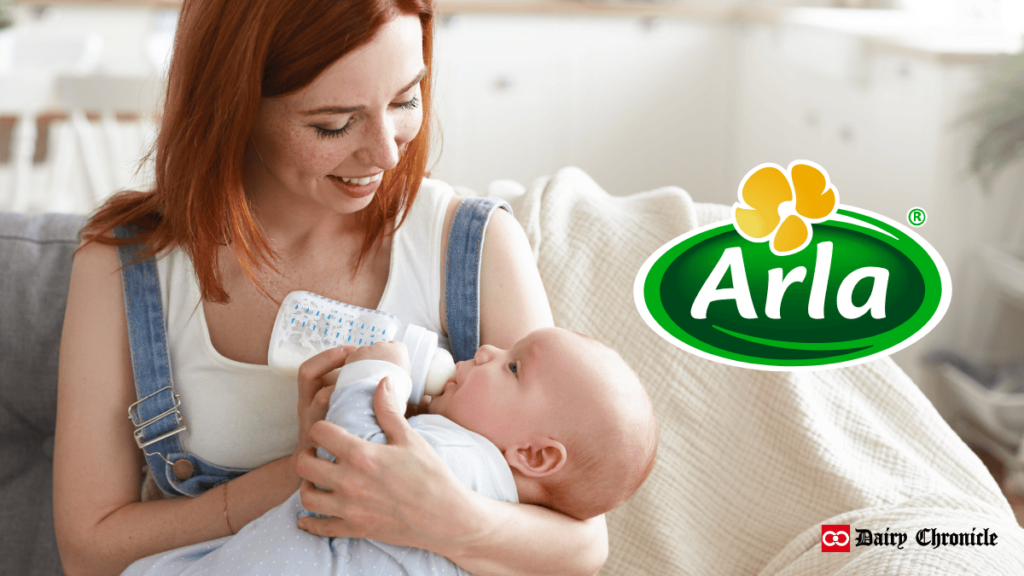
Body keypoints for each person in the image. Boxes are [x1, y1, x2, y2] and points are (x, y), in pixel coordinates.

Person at [53, 1, 609, 575]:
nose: (387, 153)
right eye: (333, 124)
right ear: (233, 107)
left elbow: (583, 546)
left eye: (405, 100)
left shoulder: (473, 246)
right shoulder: (126, 266)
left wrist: (445, 515)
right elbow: (88, 551)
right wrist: (309, 470)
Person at [121, 328, 658, 575]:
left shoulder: (463, 459)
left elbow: (351, 463)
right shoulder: (507, 530)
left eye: (513, 367)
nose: (489, 349)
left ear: (535, 456)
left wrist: (375, 372)